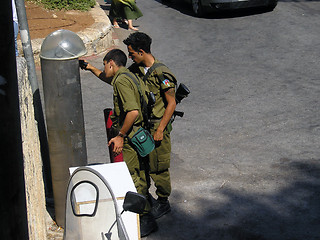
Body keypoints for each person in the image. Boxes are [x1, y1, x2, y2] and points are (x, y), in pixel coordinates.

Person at [80, 49, 158, 237]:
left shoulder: (121, 81)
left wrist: (120, 136)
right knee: (141, 172)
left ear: (111, 63)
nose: (104, 68)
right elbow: (107, 78)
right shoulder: (127, 76)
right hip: (140, 134)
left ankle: (145, 217)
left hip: (130, 136)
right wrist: (90, 67)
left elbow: (133, 112)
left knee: (134, 176)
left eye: (104, 65)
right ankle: (148, 204)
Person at [123, 32, 177, 219]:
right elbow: (117, 78)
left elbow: (171, 103)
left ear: (141, 51)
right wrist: (91, 68)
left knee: (159, 167)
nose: (130, 56)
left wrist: (161, 128)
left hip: (157, 128)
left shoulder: (162, 73)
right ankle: (146, 198)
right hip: (143, 129)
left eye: (131, 53)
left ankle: (163, 201)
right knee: (144, 166)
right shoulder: (136, 70)